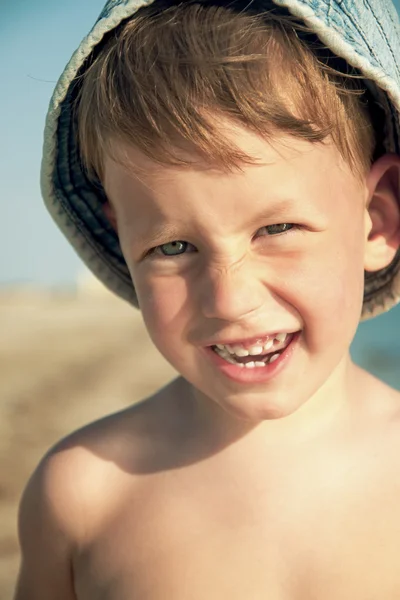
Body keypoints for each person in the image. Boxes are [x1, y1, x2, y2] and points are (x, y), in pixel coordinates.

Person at [14, 0, 400, 598]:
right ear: (122, 238)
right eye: (172, 247)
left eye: (277, 229)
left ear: (377, 221)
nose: (229, 298)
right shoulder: (82, 496)